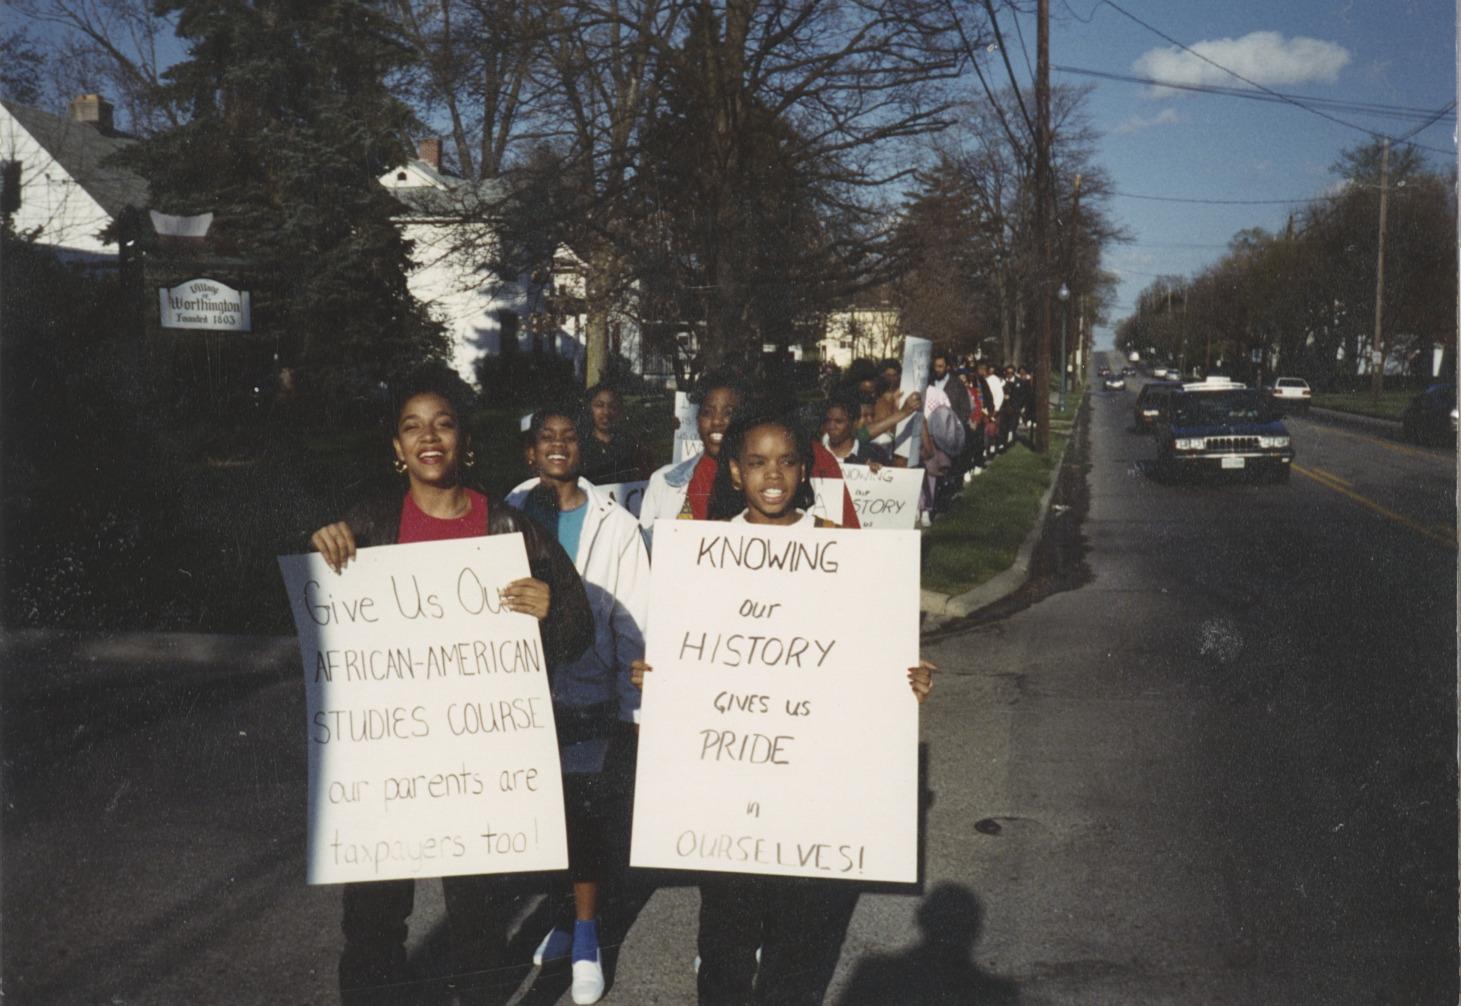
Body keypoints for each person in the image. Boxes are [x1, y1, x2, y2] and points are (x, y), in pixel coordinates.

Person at [308, 369, 593, 1006]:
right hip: (390, 758)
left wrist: (553, 607)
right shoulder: (370, 523)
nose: (428, 437)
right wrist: (321, 546)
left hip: (477, 761)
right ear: (397, 447)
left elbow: (578, 632)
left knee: (479, 924)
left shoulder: (509, 528)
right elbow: (321, 624)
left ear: (464, 440)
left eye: (443, 423)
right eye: (412, 426)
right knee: (376, 923)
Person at [633, 410, 935, 1005]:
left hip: (811, 799)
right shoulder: (705, 552)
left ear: (805, 470)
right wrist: (659, 676)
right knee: (724, 944)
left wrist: (906, 681)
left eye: (787, 461)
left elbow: (870, 649)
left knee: (798, 955)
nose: (772, 474)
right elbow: (688, 649)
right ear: (736, 473)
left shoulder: (837, 546)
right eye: (757, 461)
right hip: (728, 800)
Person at [505, 404, 650, 1005]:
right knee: (546, 816)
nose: (558, 445)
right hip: (522, 691)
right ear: (530, 452)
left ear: (583, 449)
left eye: (570, 437)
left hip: (588, 692)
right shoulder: (506, 515)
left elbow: (631, 615)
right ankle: (563, 918)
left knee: (586, 817)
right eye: (546, 437)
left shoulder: (615, 525)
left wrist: (630, 704)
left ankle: (587, 935)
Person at [579, 382, 653, 485]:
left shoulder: (632, 446)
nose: (606, 412)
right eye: (599, 405)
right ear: (589, 408)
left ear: (619, 410)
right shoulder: (580, 446)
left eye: (612, 406)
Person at [821, 393, 889, 468]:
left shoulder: (875, 454)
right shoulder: (814, 455)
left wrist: (876, 473)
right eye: (827, 421)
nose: (831, 426)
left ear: (854, 423)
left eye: (838, 421)